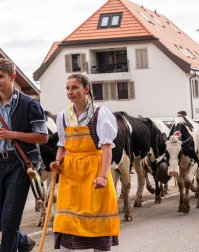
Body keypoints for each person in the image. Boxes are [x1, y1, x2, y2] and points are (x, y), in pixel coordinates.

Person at [0, 58, 48, 252]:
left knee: (9, 220)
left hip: (19, 165)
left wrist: (13, 134)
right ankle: (23, 243)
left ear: (13, 77)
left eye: (1, 77)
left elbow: (43, 137)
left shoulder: (30, 104)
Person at [50, 74, 120, 251]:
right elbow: (63, 146)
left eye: (74, 88)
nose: (70, 92)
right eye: (67, 88)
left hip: (94, 171)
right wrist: (57, 161)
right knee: (67, 221)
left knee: (97, 220)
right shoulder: (63, 116)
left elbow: (106, 148)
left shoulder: (100, 113)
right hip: (71, 174)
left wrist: (103, 176)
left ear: (86, 89)